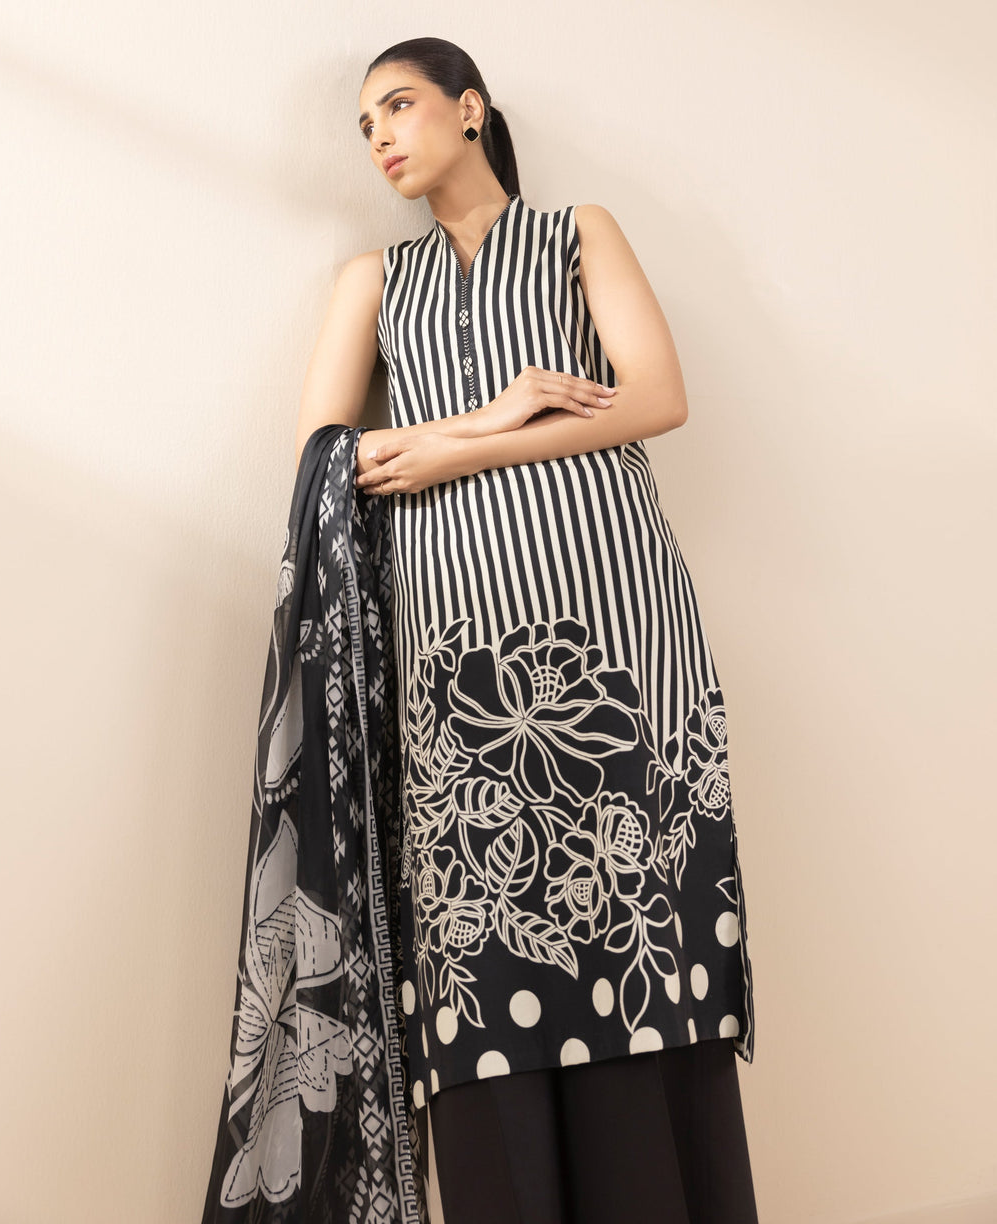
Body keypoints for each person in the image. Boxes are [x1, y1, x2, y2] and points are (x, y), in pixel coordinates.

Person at [294, 36, 759, 1224]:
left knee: (633, 920)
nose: (381, 136)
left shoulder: (577, 234)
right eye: (365, 124)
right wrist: (496, 415)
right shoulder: (372, 280)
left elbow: (657, 397)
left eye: (400, 105)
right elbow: (328, 464)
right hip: (459, 658)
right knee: (484, 940)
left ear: (470, 108)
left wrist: (444, 447)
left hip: (617, 627)